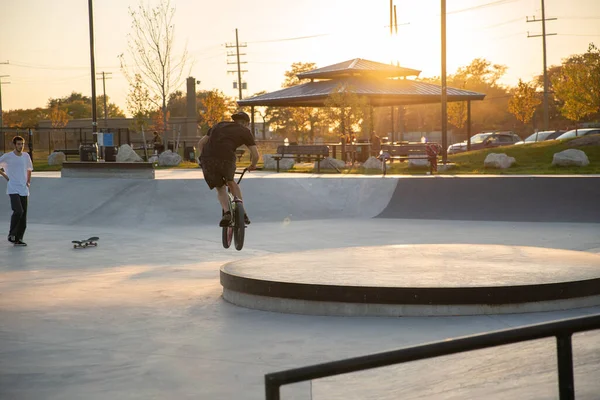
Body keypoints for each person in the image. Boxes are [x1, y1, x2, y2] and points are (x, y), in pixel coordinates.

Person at [197, 111, 259, 227]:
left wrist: (203, 159)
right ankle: (243, 212)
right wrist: (253, 165)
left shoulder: (218, 125)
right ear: (246, 123)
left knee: (220, 188)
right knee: (231, 182)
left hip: (208, 159)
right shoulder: (245, 131)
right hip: (227, 158)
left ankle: (227, 213)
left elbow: (201, 144)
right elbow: (255, 155)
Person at [0, 136, 34, 246]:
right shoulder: (8, 156)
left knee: (23, 216)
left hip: (23, 188)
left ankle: (18, 239)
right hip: (13, 188)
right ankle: (12, 235)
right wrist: (6, 176)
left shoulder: (26, 156)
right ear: (14, 145)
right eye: (18, 144)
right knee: (18, 211)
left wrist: (28, 182)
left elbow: (29, 169)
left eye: (22, 144)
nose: (20, 146)